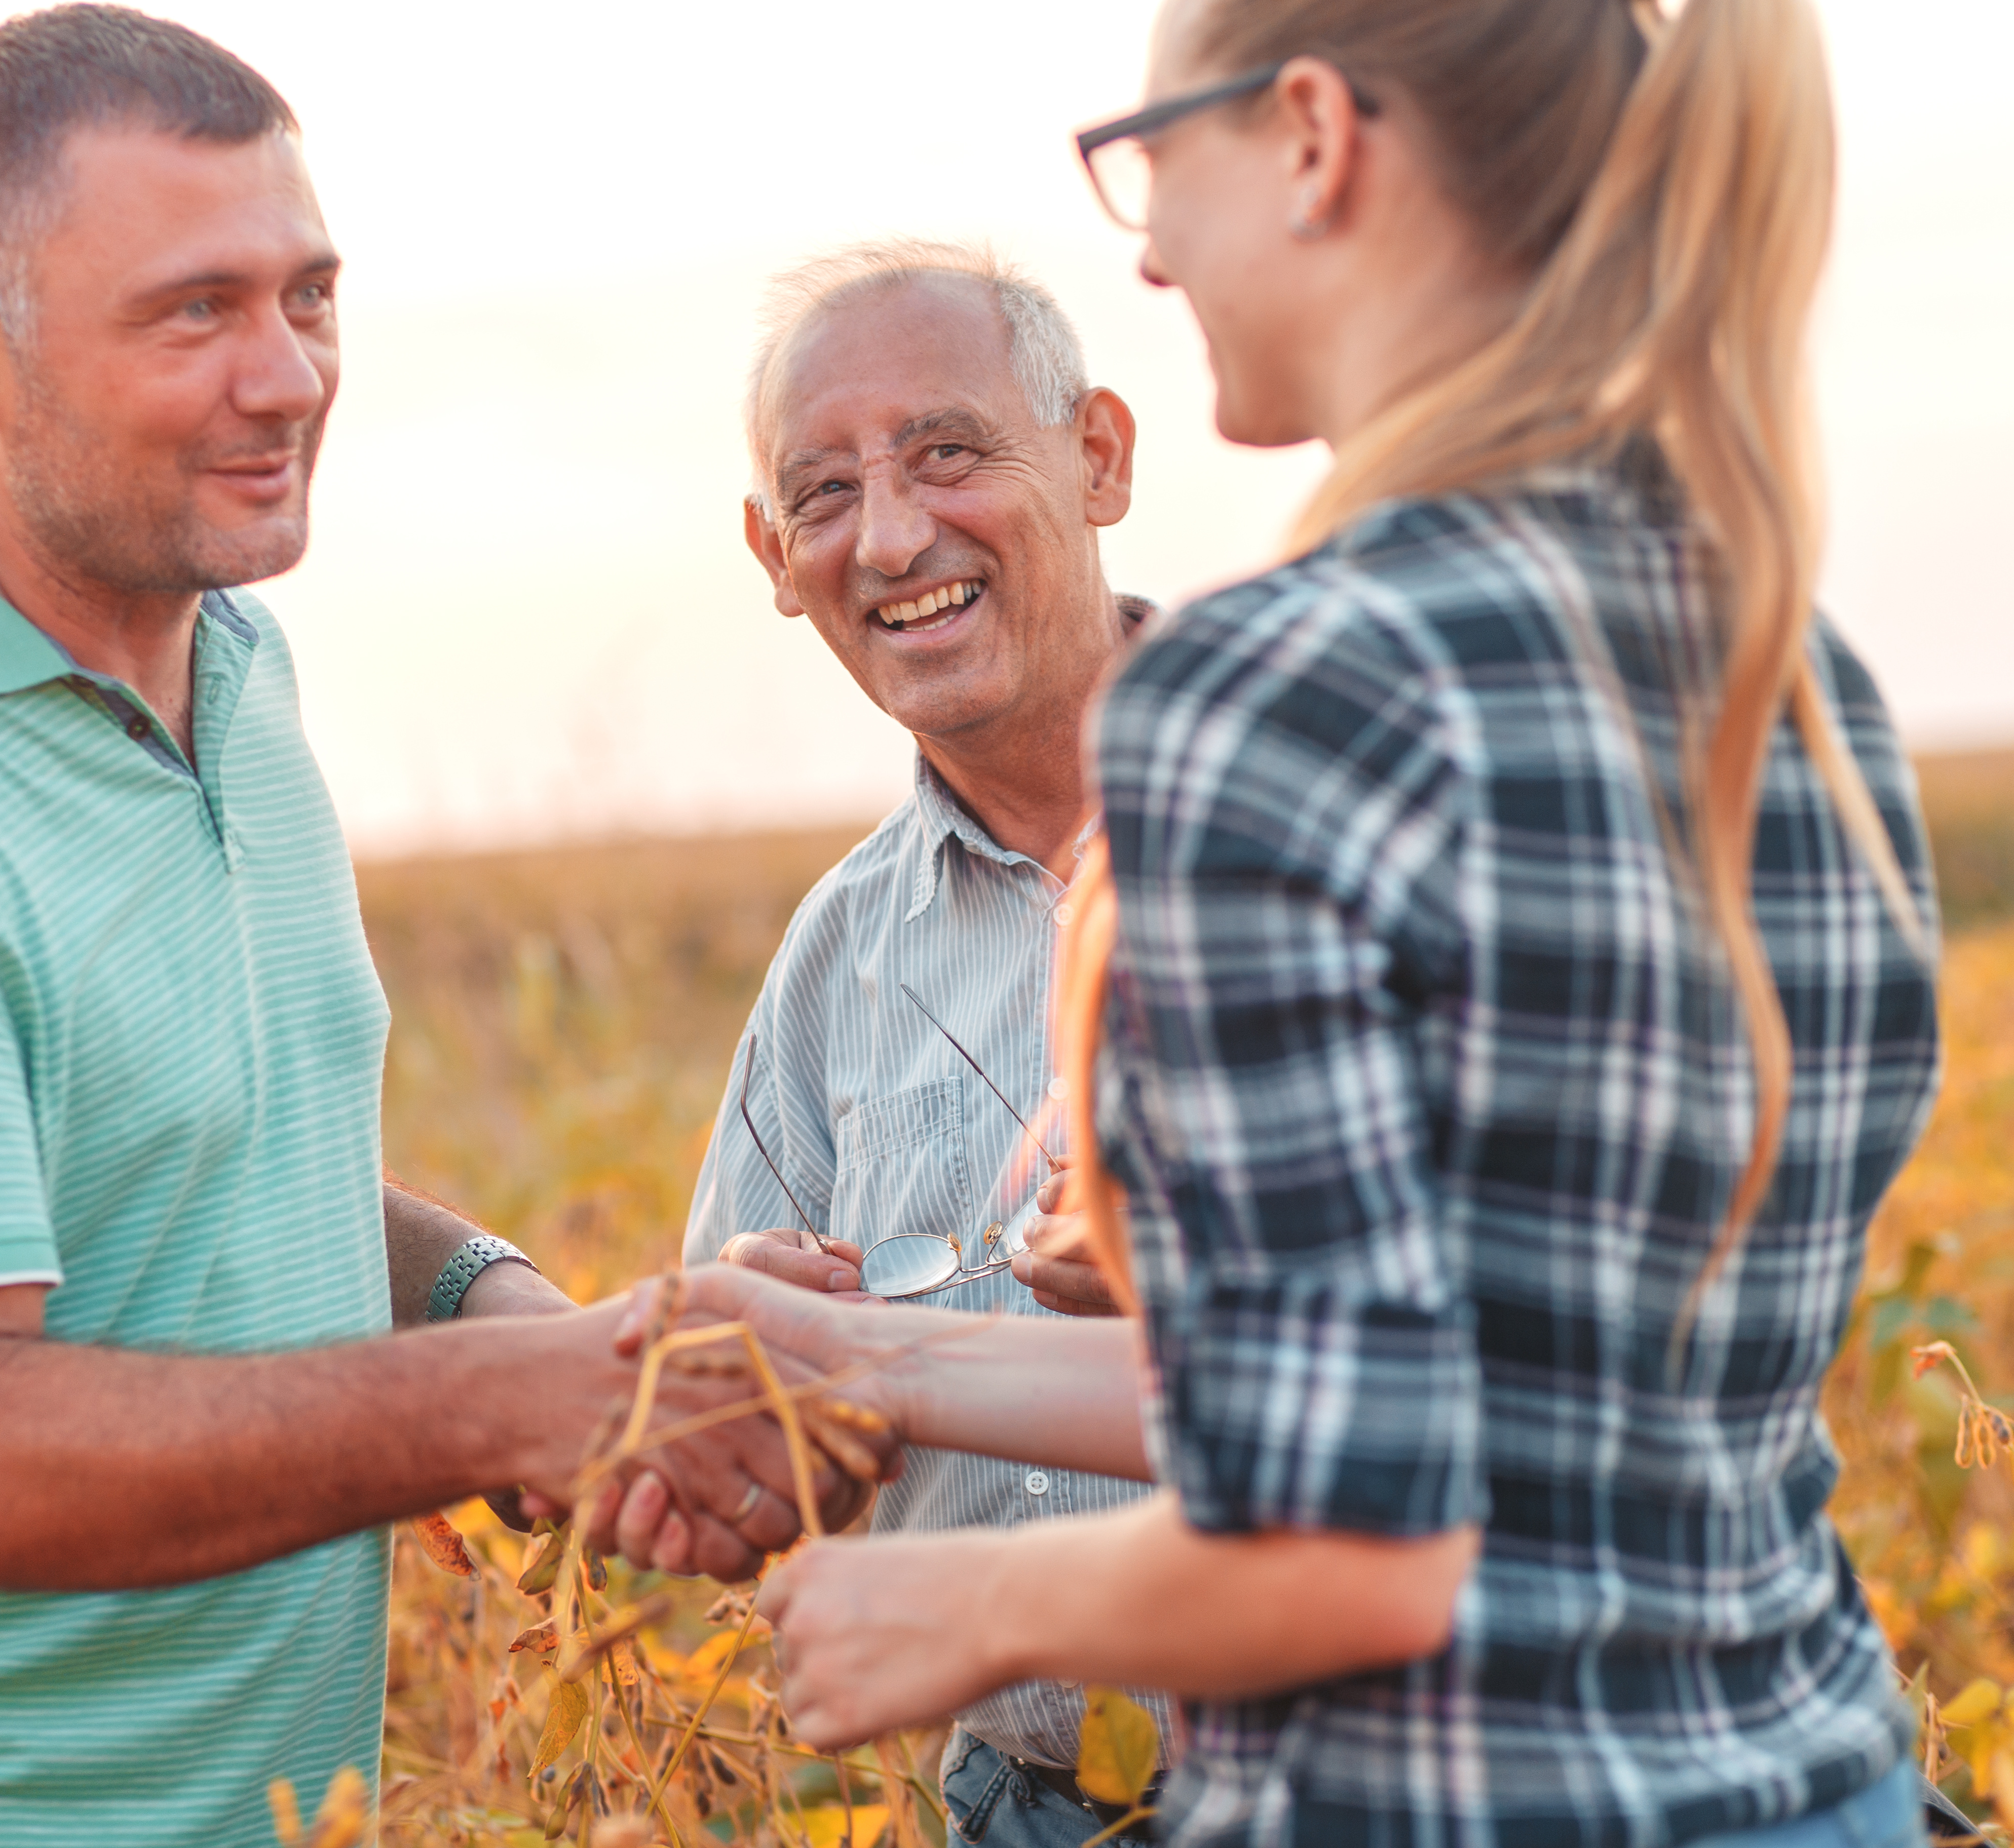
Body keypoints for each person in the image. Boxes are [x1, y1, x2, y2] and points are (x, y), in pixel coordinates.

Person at [644, 1, 1946, 1844]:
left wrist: (968, 1601)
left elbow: (1362, 1528)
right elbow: (1538, 1394)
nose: (1155, 245)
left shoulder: (1277, 702)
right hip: (1812, 1777)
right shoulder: (1792, 673)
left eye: (1153, 158)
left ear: (1314, 136)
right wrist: (868, 1359)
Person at [0, 12, 877, 1845]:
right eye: (193, 312)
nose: (286, 378)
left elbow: (205, 1177)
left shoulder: (239, 670)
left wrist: (521, 1320)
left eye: (310, 296)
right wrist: (524, 1402)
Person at [653, 241, 1175, 1844]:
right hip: (1021, 1809)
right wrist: (757, 1358)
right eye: (823, 494)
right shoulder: (837, 955)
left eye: (949, 455)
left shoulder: (1337, 818)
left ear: (1097, 458)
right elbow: (725, 1442)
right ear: (770, 551)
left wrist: (1202, 1283)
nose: (890, 538)